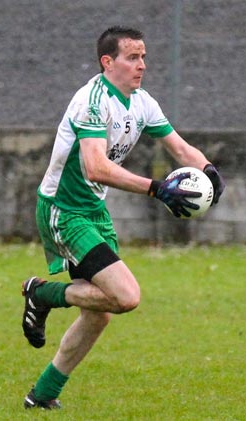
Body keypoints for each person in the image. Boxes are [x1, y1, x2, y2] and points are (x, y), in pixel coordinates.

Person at [21, 26, 225, 409]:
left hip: (94, 211)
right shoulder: (92, 101)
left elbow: (179, 146)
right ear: (107, 61)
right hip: (63, 210)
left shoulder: (142, 101)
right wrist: (157, 188)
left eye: (144, 56)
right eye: (132, 57)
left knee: (99, 313)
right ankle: (42, 292)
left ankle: (42, 396)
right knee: (126, 296)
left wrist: (210, 171)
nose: (141, 65)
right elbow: (96, 167)